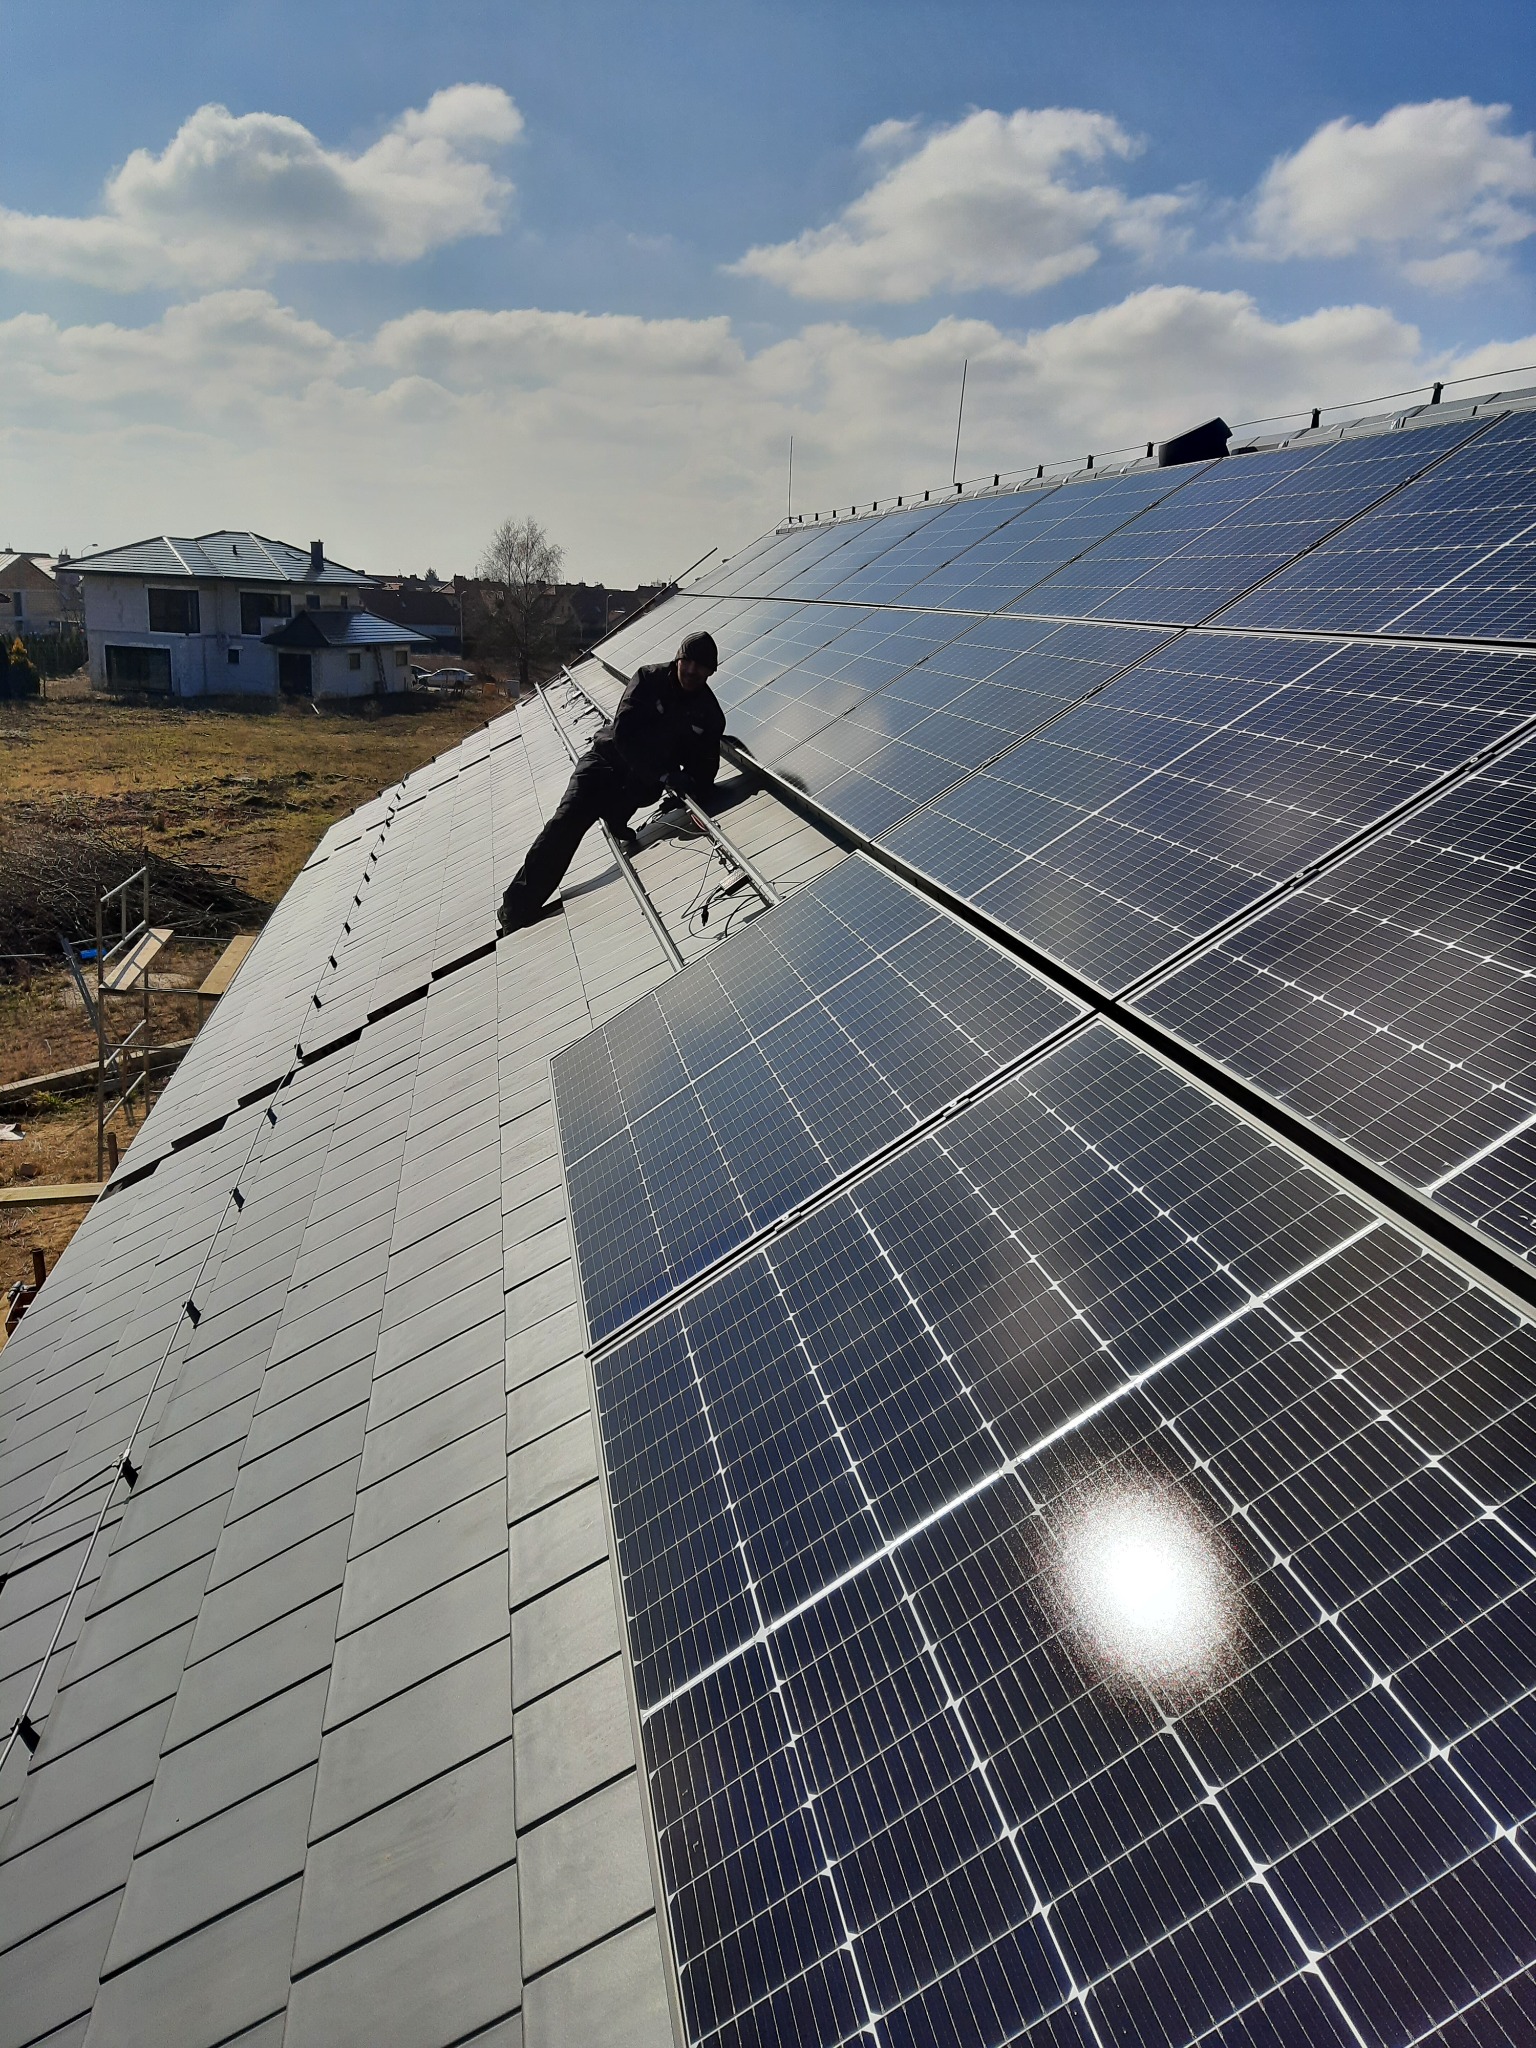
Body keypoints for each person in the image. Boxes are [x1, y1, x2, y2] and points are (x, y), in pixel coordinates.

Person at [498, 630, 726, 934]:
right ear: (678, 660)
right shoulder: (648, 680)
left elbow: (706, 765)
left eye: (702, 666)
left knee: (638, 795)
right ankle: (515, 910)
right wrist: (663, 775)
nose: (693, 670)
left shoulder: (709, 714)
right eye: (689, 662)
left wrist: (694, 789)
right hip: (604, 764)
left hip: (639, 785)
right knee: (565, 824)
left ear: (711, 672)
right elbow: (623, 735)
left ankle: (616, 816)